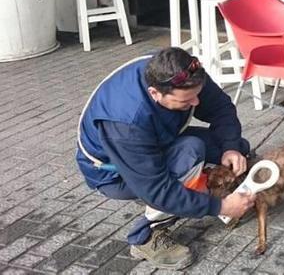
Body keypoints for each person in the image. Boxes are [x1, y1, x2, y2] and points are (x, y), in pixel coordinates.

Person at [75, 48, 255, 270]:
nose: (197, 102)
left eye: (197, 94)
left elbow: (220, 108)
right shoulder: (125, 124)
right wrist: (221, 206)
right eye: (187, 100)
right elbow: (158, 189)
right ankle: (145, 237)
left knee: (237, 147)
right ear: (155, 93)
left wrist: (230, 148)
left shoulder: (182, 71)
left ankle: (208, 185)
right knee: (190, 152)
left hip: (157, 140)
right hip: (116, 174)